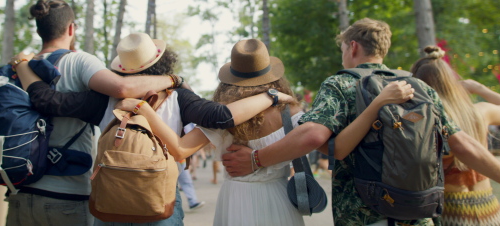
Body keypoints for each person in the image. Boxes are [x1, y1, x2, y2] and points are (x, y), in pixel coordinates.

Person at [220, 18, 500, 226]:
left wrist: (257, 158)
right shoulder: (420, 87)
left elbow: (311, 136)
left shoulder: (341, 84)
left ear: (353, 47)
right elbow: (463, 144)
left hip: (362, 213)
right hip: (419, 209)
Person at [117, 38, 416, 226]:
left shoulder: (222, 116)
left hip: (236, 199)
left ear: (231, 77)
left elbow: (180, 150)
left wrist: (146, 113)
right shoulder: (290, 110)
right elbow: (323, 141)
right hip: (279, 199)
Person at [11, 33, 294, 226]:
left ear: (122, 67)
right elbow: (221, 115)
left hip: (110, 201)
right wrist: (272, 96)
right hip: (159, 201)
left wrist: (22, 65)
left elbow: (46, 101)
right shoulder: (181, 97)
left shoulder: (103, 99)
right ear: (162, 62)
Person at [0, 0, 183, 226]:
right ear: (71, 28)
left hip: (19, 196)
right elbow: (122, 88)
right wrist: (172, 79)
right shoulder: (79, 61)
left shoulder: (11, 72)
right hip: (68, 198)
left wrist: (15, 168)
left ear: (39, 30)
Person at [411, 46, 500, 226]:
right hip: (489, 208)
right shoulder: (480, 112)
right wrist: (479, 88)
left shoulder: (425, 119)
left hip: (449, 210)